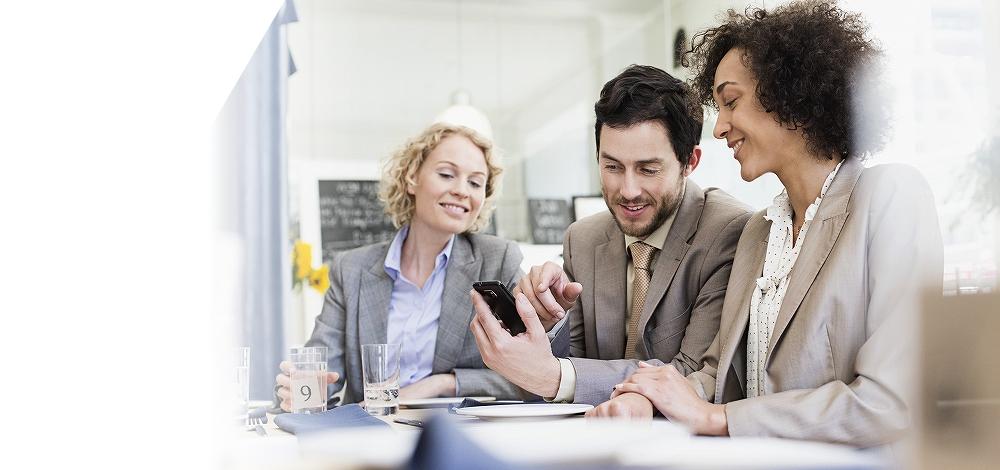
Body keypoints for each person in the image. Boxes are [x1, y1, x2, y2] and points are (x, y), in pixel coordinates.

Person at [586, 0, 944, 449]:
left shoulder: (890, 197)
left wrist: (718, 418)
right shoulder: (759, 232)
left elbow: (892, 404)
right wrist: (647, 398)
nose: (720, 129)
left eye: (731, 102)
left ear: (794, 95)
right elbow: (718, 376)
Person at [469, 65, 754, 405]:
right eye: (612, 167)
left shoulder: (729, 232)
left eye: (648, 169)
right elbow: (541, 387)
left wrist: (556, 376)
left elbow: (693, 377)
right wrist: (542, 328)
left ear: (689, 161)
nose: (628, 191)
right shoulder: (583, 239)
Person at [275, 123, 524, 411]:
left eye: (475, 182)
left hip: (459, 438)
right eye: (446, 174)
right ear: (411, 179)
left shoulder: (498, 259)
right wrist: (301, 388)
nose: (461, 191)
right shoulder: (352, 269)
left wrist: (441, 383)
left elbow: (532, 373)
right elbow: (320, 375)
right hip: (372, 435)